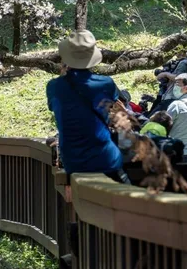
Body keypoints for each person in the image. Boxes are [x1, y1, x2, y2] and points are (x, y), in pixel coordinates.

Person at [46, 30, 128, 183]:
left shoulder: (54, 87)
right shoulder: (106, 83)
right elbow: (116, 110)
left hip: (74, 162)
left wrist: (64, 74)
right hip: (105, 159)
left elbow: (56, 107)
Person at [166, 73, 187, 162]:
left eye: (177, 84)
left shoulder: (177, 105)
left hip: (181, 154)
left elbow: (163, 124)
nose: (174, 88)